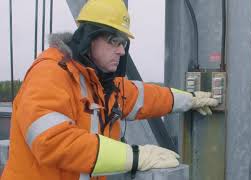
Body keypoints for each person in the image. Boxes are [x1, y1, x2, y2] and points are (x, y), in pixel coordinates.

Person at [1, 0, 218, 179]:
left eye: (124, 43)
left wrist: (190, 99)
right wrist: (135, 156)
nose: (122, 51)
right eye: (114, 41)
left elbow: (147, 97)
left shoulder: (101, 84)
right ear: (89, 39)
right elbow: (52, 142)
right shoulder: (49, 74)